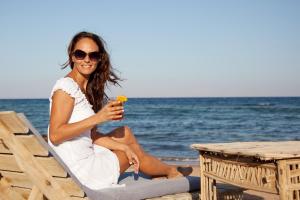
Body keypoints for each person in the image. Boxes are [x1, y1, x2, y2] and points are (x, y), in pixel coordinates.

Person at [48, 31, 190, 190]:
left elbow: (91, 135)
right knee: (132, 154)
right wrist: (99, 118)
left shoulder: (83, 88)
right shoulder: (66, 88)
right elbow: (55, 135)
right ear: (72, 56)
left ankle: (162, 171)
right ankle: (169, 171)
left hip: (81, 156)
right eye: (80, 54)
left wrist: (123, 146)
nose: (87, 59)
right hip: (79, 173)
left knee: (125, 133)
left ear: (99, 58)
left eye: (93, 55)